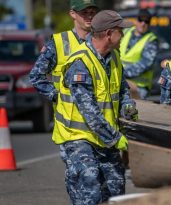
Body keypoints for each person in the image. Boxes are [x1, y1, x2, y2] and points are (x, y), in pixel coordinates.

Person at [52, 10, 137, 204]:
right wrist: (117, 139)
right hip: (79, 138)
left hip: (105, 138)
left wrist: (129, 109)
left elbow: (123, 90)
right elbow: (90, 113)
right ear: (109, 34)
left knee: (116, 188)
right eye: (120, 31)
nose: (123, 36)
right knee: (90, 186)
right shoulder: (80, 63)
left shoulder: (114, 58)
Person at [30, 0, 99, 105]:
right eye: (84, 12)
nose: (89, 16)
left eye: (92, 13)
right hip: (68, 118)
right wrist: (57, 96)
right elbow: (36, 76)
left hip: (98, 116)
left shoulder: (101, 42)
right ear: (73, 14)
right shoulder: (59, 42)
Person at [119, 9, 158, 100]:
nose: (143, 23)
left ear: (149, 23)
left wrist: (121, 73)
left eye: (146, 21)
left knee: (135, 111)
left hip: (139, 87)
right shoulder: (125, 32)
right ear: (136, 20)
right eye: (141, 20)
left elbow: (145, 64)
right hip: (121, 80)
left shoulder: (151, 40)